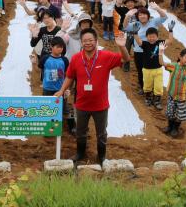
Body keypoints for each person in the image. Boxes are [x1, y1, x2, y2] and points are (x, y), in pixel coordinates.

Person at [54, 28, 130, 164]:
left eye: (90, 40)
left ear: (96, 41)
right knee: (80, 132)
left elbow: (126, 59)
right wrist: (61, 90)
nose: (87, 43)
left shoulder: (106, 56)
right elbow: (70, 76)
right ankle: (80, 153)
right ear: (81, 43)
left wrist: (122, 46)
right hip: (81, 104)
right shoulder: (77, 58)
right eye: (85, 41)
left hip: (100, 105)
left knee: (101, 133)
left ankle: (101, 156)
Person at [123, 2, 168, 95]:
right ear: (137, 16)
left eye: (144, 14)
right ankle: (143, 87)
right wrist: (127, 16)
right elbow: (125, 26)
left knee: (152, 69)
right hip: (138, 51)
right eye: (140, 15)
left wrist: (157, 8)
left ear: (148, 15)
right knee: (140, 70)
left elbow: (164, 17)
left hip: (151, 51)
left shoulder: (153, 22)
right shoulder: (136, 24)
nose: (142, 16)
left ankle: (153, 87)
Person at [133, 23, 175, 109]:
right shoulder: (145, 44)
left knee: (158, 85)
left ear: (157, 37)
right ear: (146, 37)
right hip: (147, 69)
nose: (151, 38)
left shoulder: (160, 43)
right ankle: (148, 98)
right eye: (149, 36)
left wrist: (170, 30)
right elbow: (138, 41)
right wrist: (135, 33)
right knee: (147, 85)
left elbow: (170, 40)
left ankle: (157, 100)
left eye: (153, 36)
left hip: (158, 69)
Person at [40, 37, 76, 136]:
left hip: (61, 89)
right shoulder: (45, 58)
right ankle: (48, 129)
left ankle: (72, 127)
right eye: (58, 47)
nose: (60, 49)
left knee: (65, 109)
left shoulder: (64, 60)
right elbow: (40, 71)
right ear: (52, 47)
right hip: (47, 89)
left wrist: (67, 89)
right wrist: (34, 63)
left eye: (62, 47)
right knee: (47, 109)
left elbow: (68, 76)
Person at [159, 47, 186, 137]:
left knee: (180, 114)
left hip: (182, 97)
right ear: (180, 56)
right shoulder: (174, 66)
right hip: (172, 95)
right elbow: (162, 63)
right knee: (170, 112)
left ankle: (175, 128)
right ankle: (169, 126)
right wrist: (160, 53)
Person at [113, 0, 146, 73]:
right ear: (125, 3)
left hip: (137, 33)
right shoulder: (123, 10)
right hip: (126, 33)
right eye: (128, 2)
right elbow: (117, 5)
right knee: (126, 49)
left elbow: (145, 5)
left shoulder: (138, 9)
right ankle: (126, 65)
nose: (130, 3)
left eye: (131, 2)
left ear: (134, 3)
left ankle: (140, 65)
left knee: (139, 50)